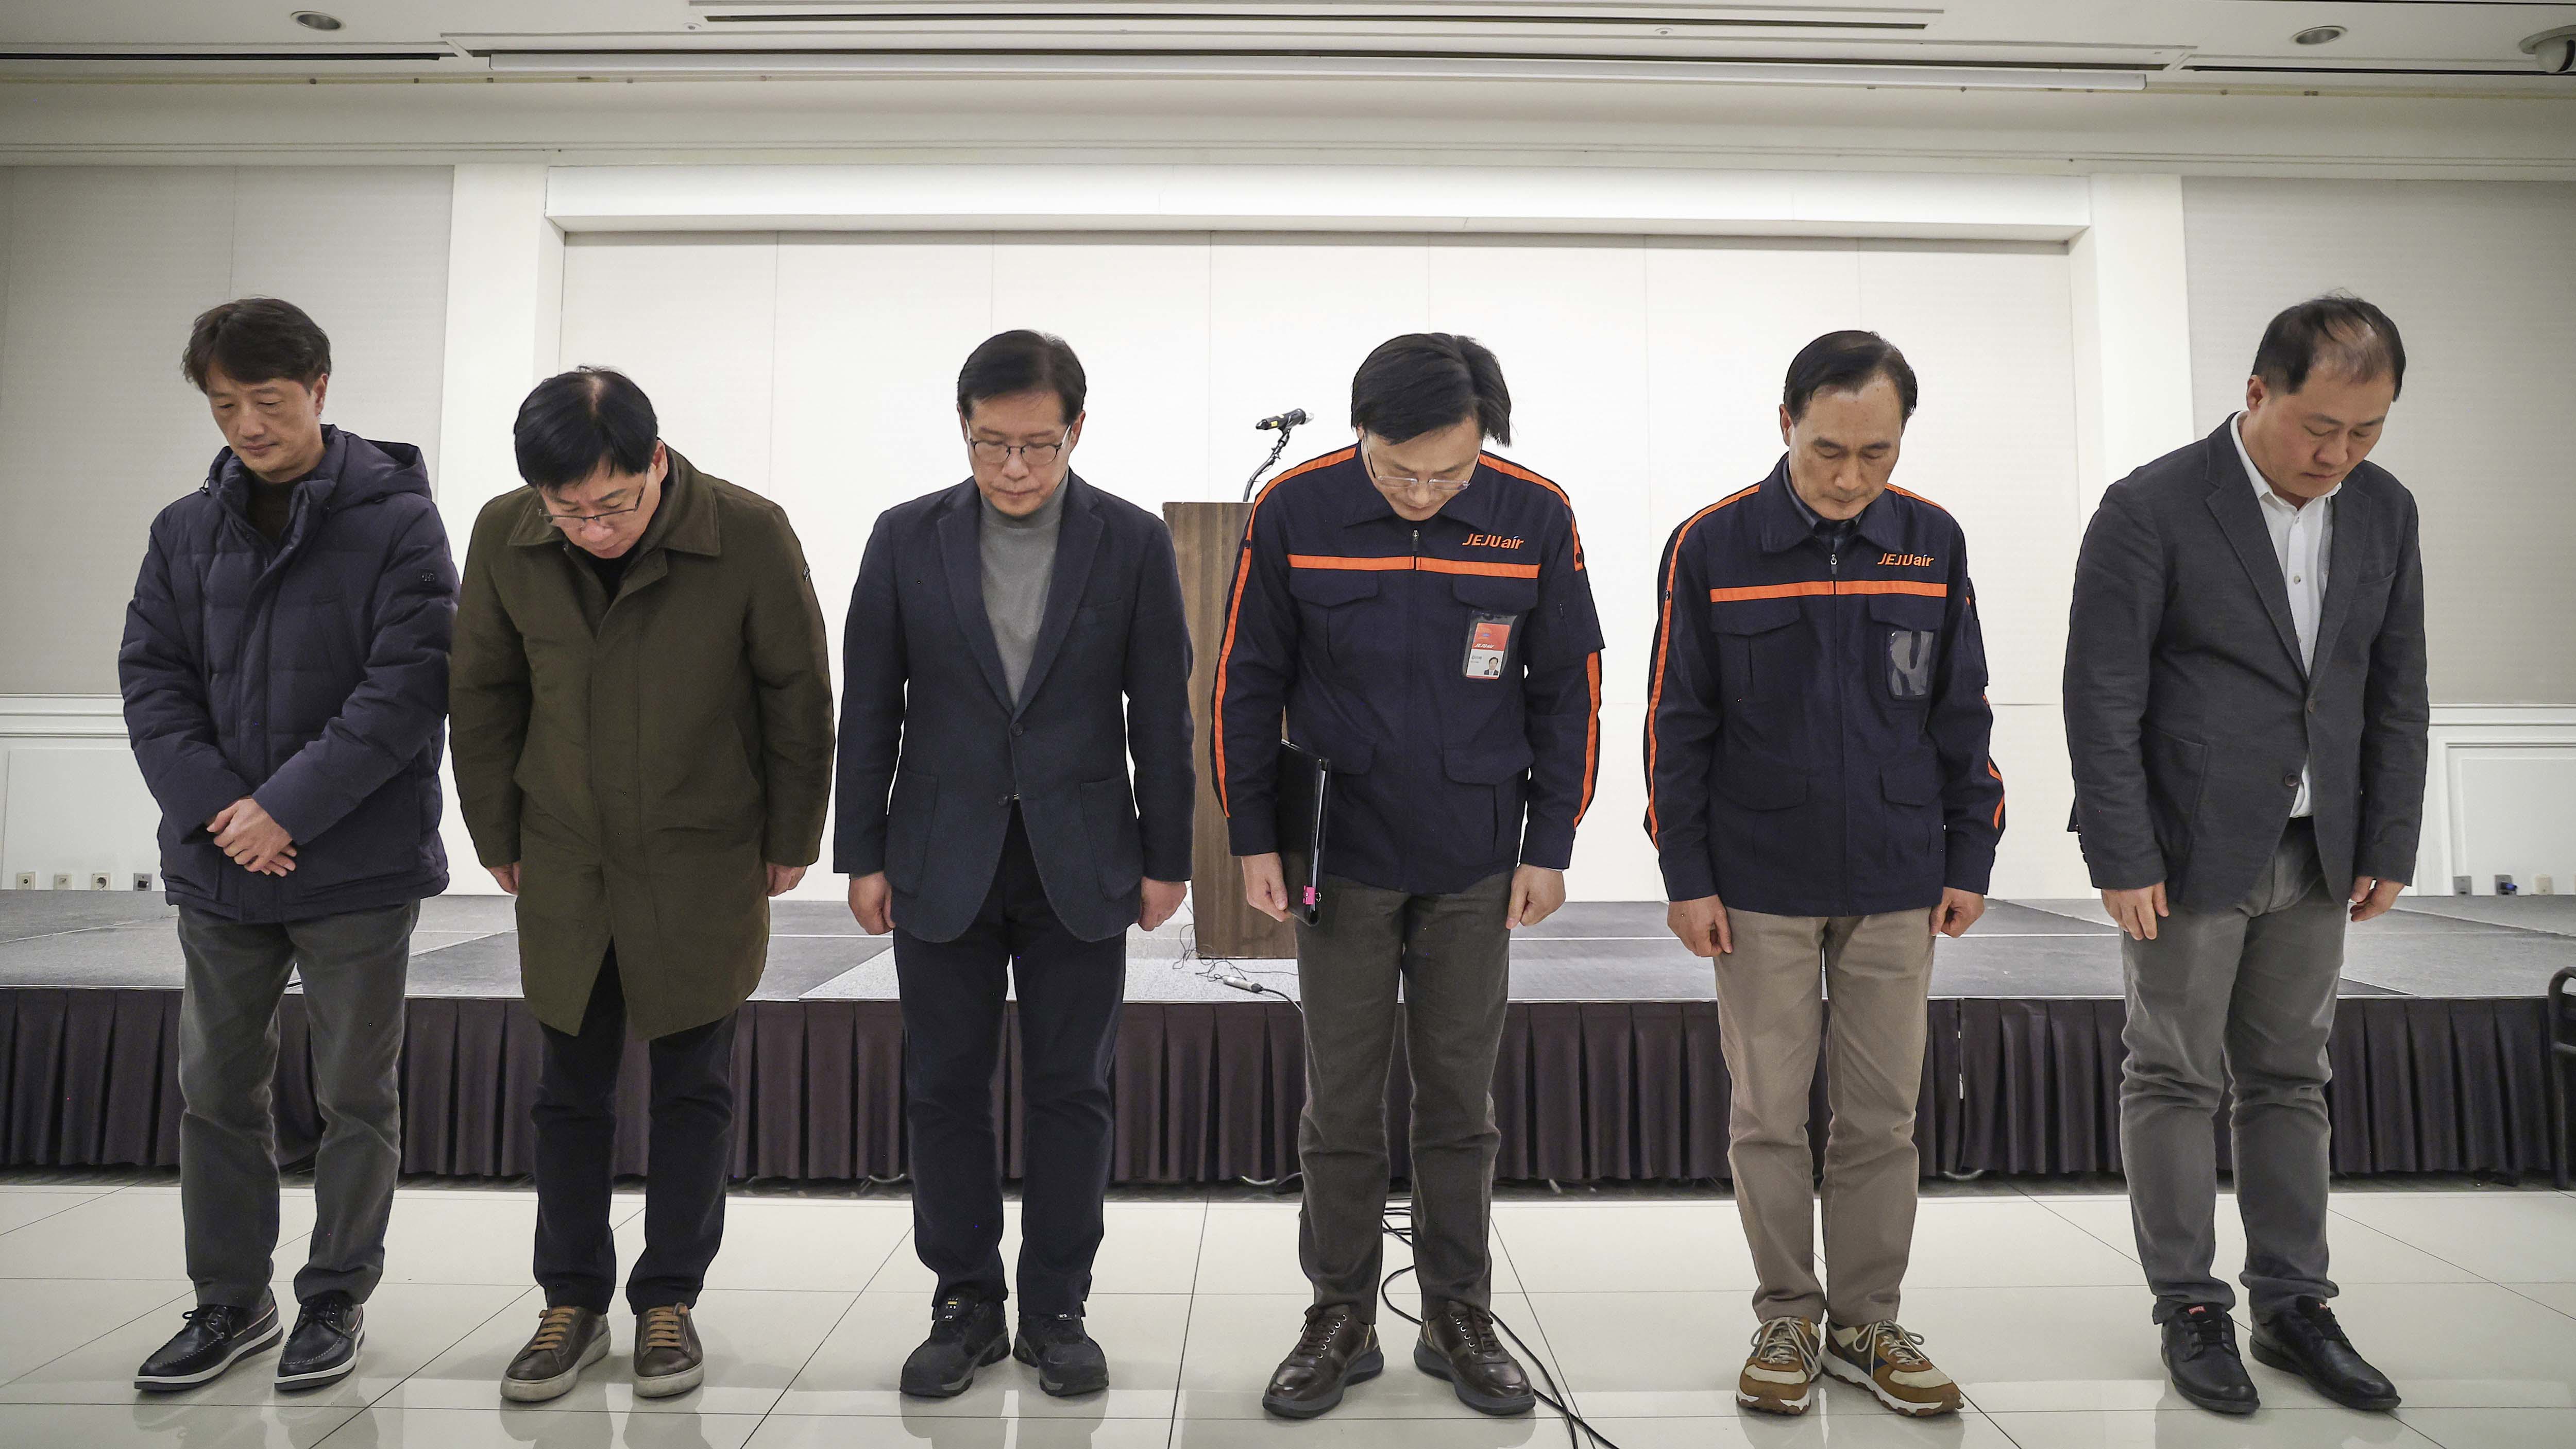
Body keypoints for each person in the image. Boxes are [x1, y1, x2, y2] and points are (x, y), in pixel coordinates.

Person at [1213, 333, 1603, 1420]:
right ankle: (1338, 1310)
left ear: (1486, 443)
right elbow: (1246, 678)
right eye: (1399, 471)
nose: (1424, 492)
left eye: (1448, 472)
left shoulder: (1534, 512)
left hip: (1477, 856)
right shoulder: (1294, 509)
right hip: (1339, 854)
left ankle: (1456, 1309)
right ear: (1361, 434)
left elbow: (1566, 690)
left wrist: (1550, 842)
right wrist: (1252, 837)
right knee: (1339, 1098)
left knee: (1459, 1099)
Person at [2066, 294, 2426, 1417]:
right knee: (2173, 1071)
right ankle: (2189, 1302)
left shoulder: (2383, 509)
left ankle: (2291, 1302)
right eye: (2321, 425)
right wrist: (2120, 849)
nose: (2339, 453)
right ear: (2257, 391)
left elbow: (2396, 681)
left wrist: (2389, 835)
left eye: (2367, 431)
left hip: (2323, 844)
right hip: (2183, 846)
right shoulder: (2153, 507)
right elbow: (2102, 691)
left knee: (2291, 1076)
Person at [450, 368, 835, 1403]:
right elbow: (481, 689)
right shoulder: (505, 534)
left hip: (701, 849)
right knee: (566, 1090)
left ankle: (670, 1296)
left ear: (656, 463)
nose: (592, 526)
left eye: (613, 502)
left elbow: (797, 690)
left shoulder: (746, 532)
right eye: (567, 509)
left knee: (692, 1087)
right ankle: (568, 1299)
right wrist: (496, 830)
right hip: (566, 851)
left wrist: (793, 831)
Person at [1645, 330, 2002, 1419]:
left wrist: (1969, 850)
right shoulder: (1711, 544)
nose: (1851, 476)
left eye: (1877, 454)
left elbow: (1962, 711)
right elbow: (1678, 725)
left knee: (1882, 1113)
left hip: (1898, 872)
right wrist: (1687, 874)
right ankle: (1787, 1313)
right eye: (1828, 449)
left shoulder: (1929, 541)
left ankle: (1867, 1319)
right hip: (1756, 880)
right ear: (1785, 424)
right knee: (1766, 1111)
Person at [836, 330, 1194, 1399]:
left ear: (1076, 430)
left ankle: (1056, 1307)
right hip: (938, 848)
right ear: (964, 429)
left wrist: (1167, 855)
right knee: (944, 1086)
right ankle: (964, 1301)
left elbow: (1159, 714)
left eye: (1038, 445)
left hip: (1080, 854)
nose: (1015, 469)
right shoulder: (906, 536)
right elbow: (871, 708)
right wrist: (859, 851)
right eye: (992, 444)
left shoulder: (1129, 540)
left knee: (1071, 1085)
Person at [121, 298, 457, 1393]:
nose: (247, 425)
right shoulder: (182, 529)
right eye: (226, 406)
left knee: (357, 1089)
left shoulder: (399, 519)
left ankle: (334, 1296)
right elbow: (153, 681)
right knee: (217, 1085)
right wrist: (229, 813)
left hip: (354, 860)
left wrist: (288, 810)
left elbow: (407, 686)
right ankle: (230, 1297)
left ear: (318, 387)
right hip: (224, 863)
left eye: (268, 401)